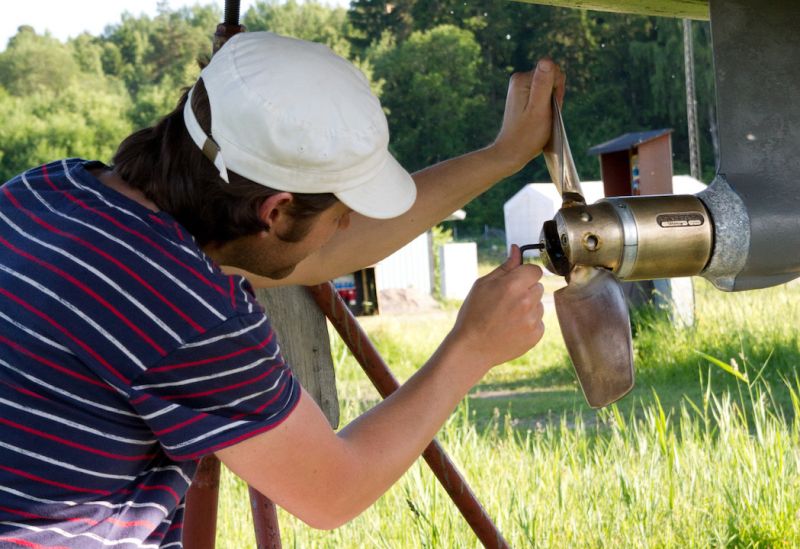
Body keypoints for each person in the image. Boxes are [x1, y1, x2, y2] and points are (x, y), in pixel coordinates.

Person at [0, 31, 562, 547]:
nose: (345, 228)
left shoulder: (47, 191)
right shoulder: (193, 314)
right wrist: (473, 347)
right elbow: (333, 490)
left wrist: (503, 155)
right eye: (341, 213)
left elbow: (315, 253)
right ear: (274, 211)